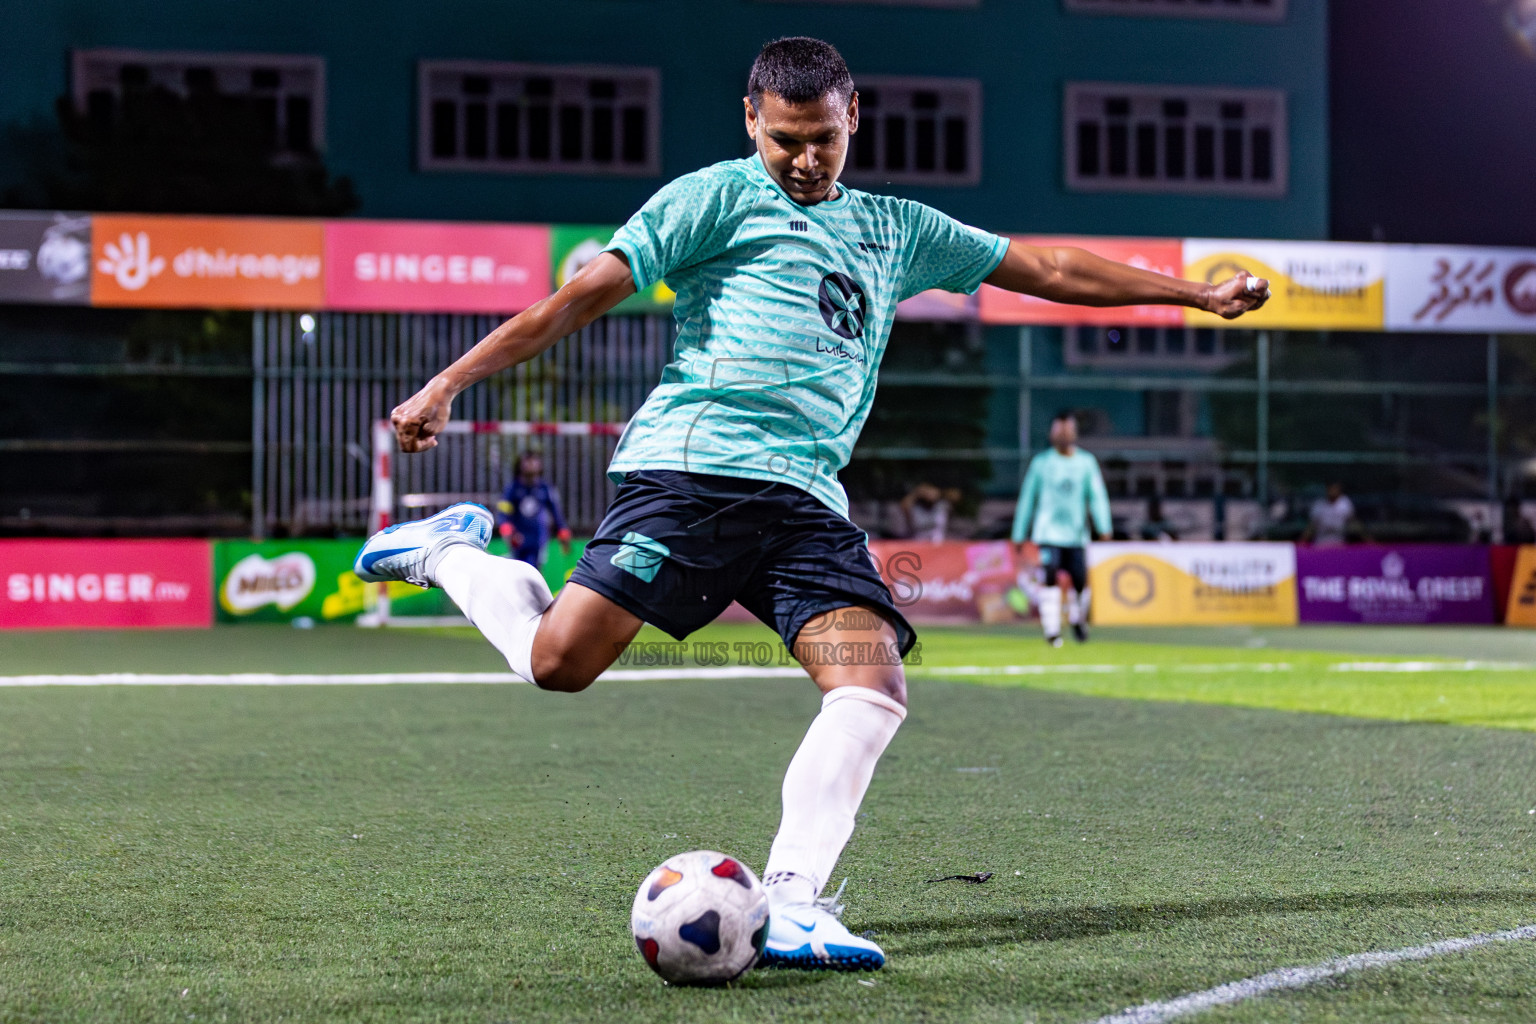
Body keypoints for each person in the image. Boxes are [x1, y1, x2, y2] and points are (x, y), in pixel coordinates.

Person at [354, 37, 1268, 971]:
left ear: (853, 118)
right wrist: (449, 384)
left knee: (871, 687)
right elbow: (579, 297)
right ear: (751, 118)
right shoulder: (711, 197)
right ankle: (449, 552)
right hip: (692, 473)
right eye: (785, 138)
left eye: (822, 138)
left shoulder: (897, 228)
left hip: (805, 501)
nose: (803, 158)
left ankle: (790, 902)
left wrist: (1197, 293)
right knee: (557, 662)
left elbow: (1052, 269)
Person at [1011, 412, 1112, 647]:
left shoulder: (1086, 462)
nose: (1063, 435)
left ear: (1075, 433)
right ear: (1052, 434)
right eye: (1059, 431)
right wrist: (1019, 532)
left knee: (1079, 580)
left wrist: (1103, 526)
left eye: (1067, 430)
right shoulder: (1041, 463)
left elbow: (1097, 496)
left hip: (1076, 535)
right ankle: (1052, 630)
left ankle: (1077, 619)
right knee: (1050, 575)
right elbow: (1027, 499)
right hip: (1048, 534)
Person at [496, 452, 572, 567]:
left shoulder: (545, 488)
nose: (531, 464)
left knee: (535, 569)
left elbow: (556, 511)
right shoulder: (512, 489)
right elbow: (503, 510)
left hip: (538, 538)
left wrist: (562, 530)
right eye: (527, 461)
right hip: (518, 538)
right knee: (518, 568)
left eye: (534, 461)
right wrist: (505, 524)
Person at [1302, 482, 1368, 547]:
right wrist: (1302, 543)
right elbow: (1311, 527)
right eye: (1331, 488)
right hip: (1321, 544)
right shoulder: (1319, 505)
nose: (1333, 491)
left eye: (1335, 488)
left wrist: (1369, 541)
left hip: (1339, 544)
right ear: (1327, 489)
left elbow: (1355, 524)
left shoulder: (1345, 503)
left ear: (1339, 490)